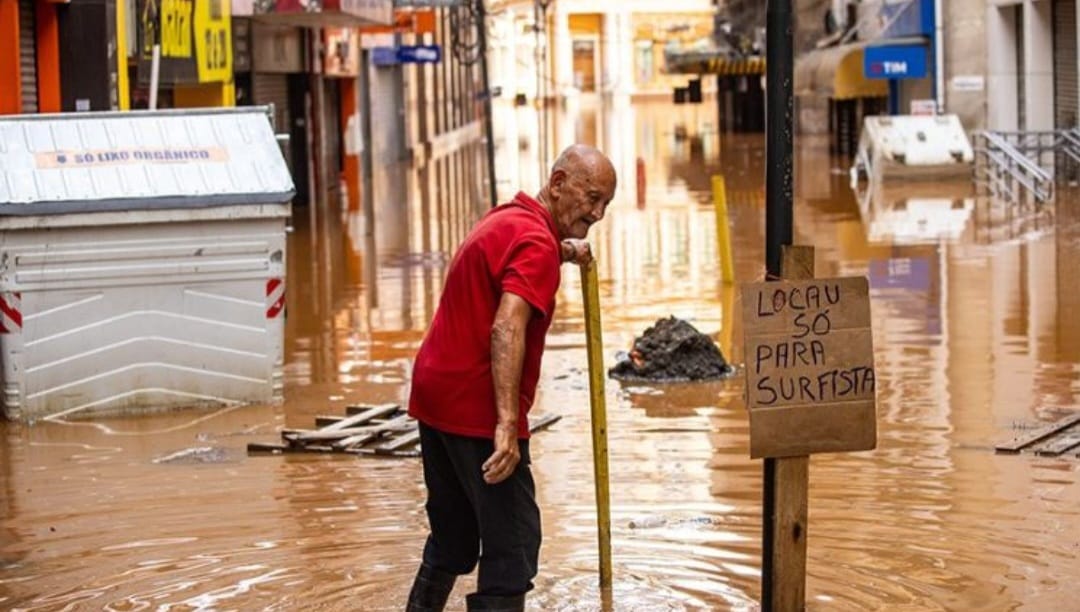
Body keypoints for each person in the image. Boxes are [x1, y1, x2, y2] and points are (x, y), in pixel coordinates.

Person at [405, 144, 617, 612]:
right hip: (474, 408)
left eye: (606, 205)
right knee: (514, 549)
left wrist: (562, 250)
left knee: (454, 537)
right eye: (592, 198)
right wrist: (505, 423)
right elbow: (507, 324)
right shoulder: (535, 244)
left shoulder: (511, 218)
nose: (598, 214)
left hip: (434, 395)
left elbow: (516, 258)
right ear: (558, 184)